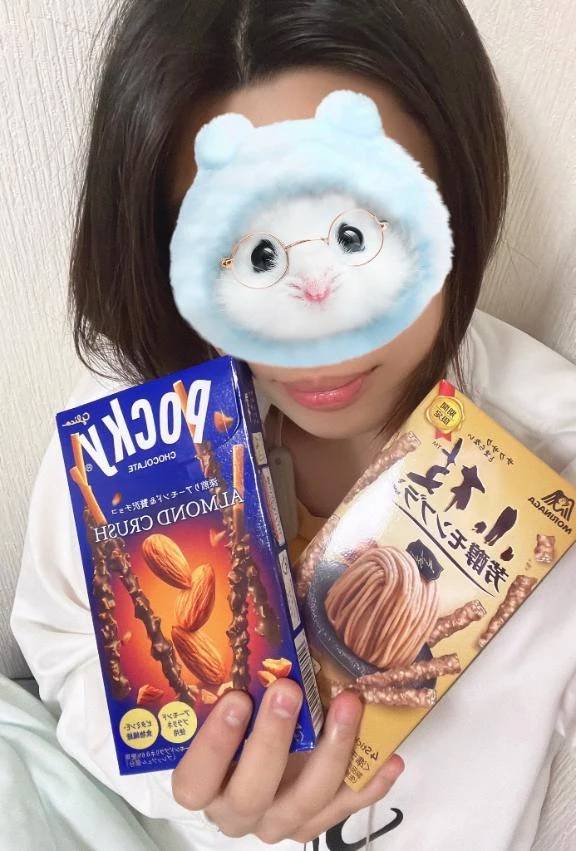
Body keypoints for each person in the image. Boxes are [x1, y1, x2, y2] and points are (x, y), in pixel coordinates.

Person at [11, 1, 576, 849]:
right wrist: (184, 776)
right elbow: (62, 643)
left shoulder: (555, 455)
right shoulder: (133, 438)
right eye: (253, 254)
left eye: (360, 232)